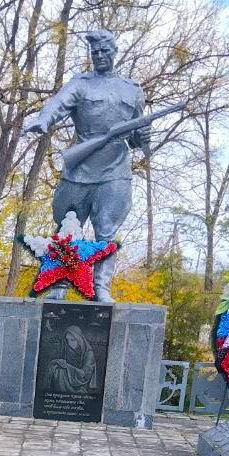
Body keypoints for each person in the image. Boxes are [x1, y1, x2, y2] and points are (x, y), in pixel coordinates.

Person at [22, 28, 149, 303]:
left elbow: (138, 137)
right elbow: (58, 103)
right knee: (68, 226)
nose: (100, 56)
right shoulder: (81, 84)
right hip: (80, 170)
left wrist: (144, 136)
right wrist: (44, 119)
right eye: (96, 52)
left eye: (105, 51)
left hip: (115, 170)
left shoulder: (132, 90)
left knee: (106, 232)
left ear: (115, 53)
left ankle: (101, 288)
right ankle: (59, 285)